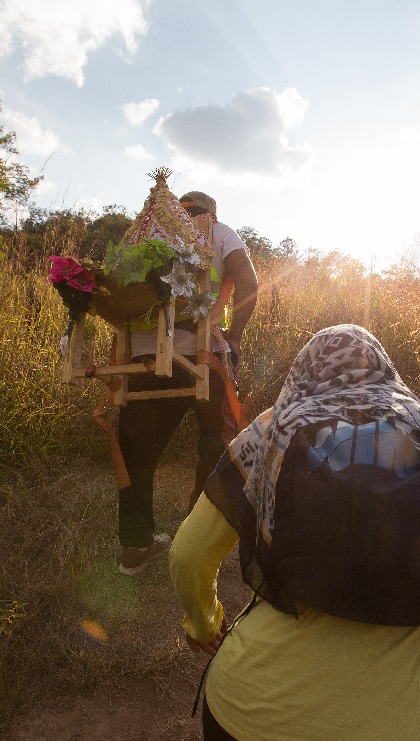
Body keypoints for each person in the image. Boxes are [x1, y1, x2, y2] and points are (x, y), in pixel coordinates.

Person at [169, 325, 420, 741]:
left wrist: (203, 625)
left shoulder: (272, 432)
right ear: (388, 372)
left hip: (254, 736)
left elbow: (187, 555)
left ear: (303, 372)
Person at [116, 190, 258, 576]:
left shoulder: (143, 239)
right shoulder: (216, 231)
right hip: (202, 355)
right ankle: (195, 540)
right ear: (210, 212)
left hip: (143, 360)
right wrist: (235, 336)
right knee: (215, 441)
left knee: (137, 448)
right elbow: (248, 283)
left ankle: (135, 545)